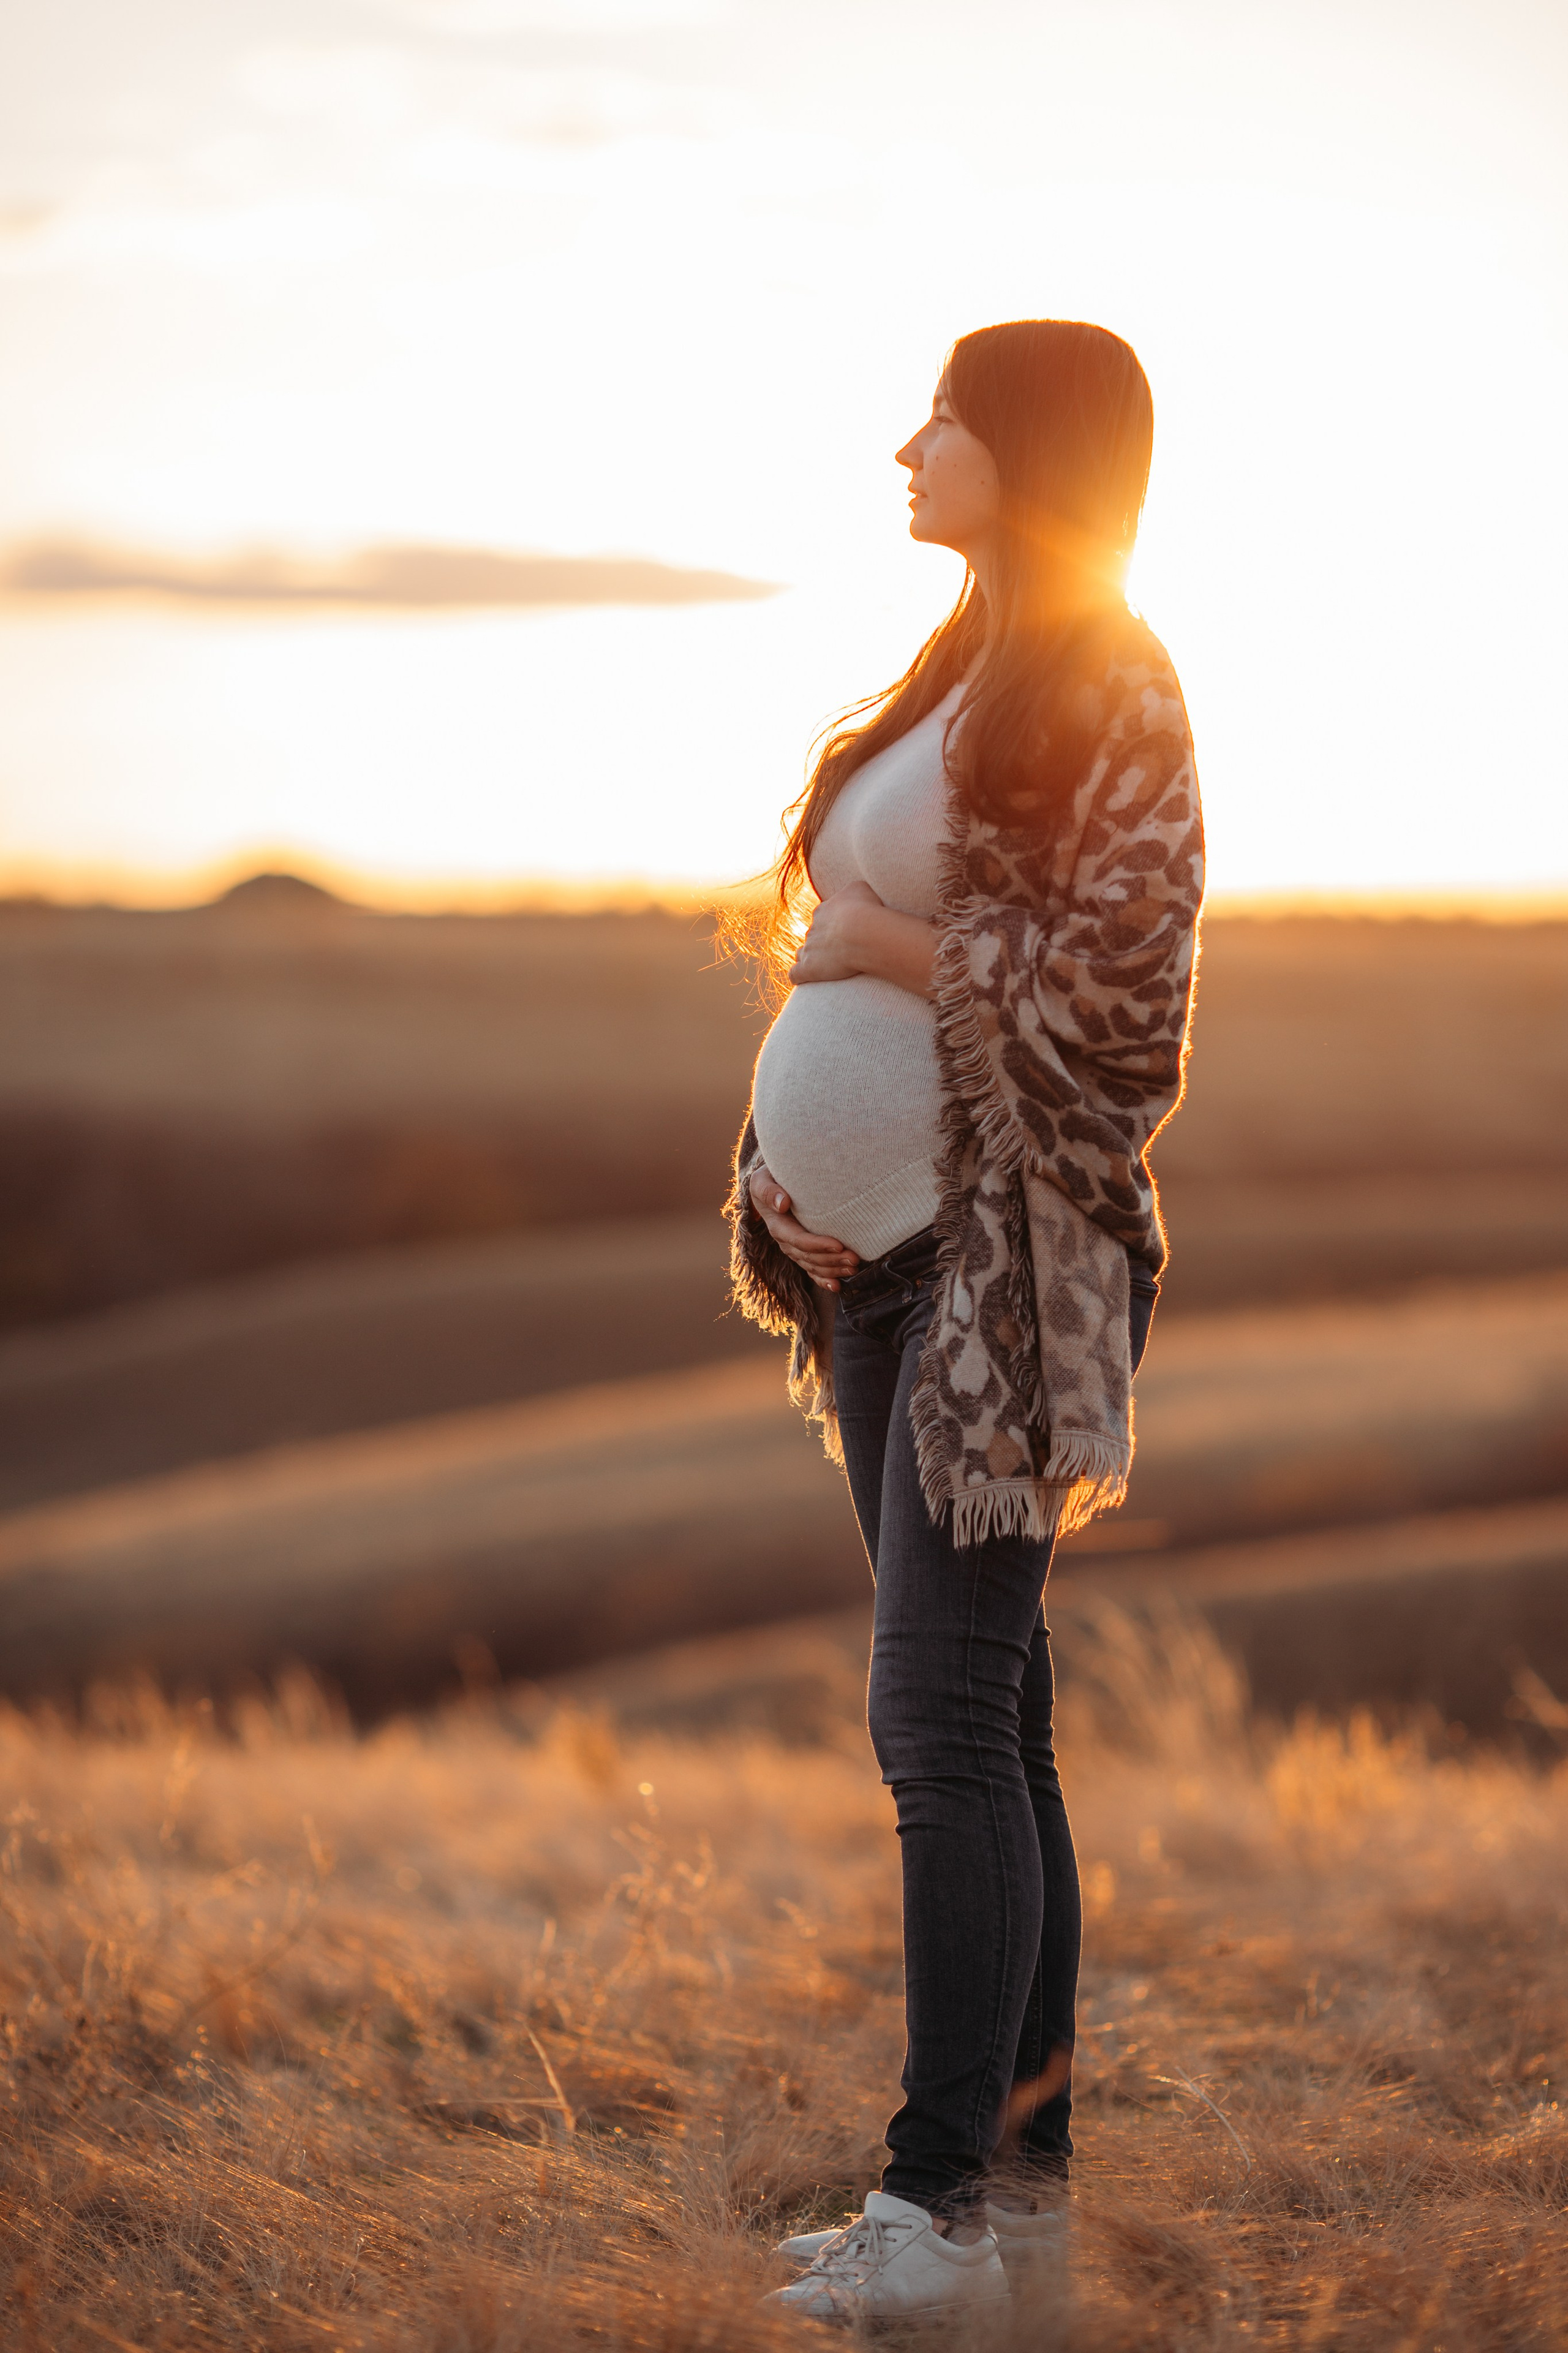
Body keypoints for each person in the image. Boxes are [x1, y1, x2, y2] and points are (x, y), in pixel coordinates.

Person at [726, 318, 1204, 2323]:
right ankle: (1013, 2215)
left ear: (1034, 447)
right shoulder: (958, 674)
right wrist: (780, 1181)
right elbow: (848, 990)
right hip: (872, 1274)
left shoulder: (1118, 681)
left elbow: (1128, 1015)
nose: (909, 443)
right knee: (995, 1725)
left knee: (936, 1723)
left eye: (949, 414)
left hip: (1002, 1289)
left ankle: (931, 2210)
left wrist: (894, 946)